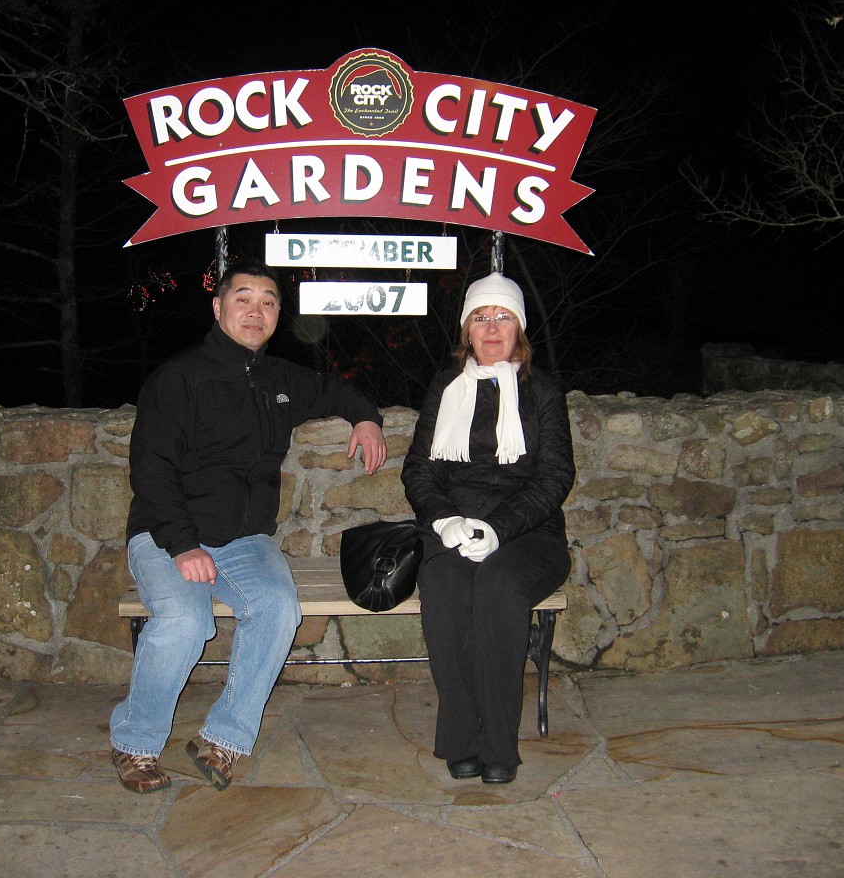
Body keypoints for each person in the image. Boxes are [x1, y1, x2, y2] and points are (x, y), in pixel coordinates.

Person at [110, 259, 387, 793]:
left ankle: (222, 739)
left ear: (278, 315)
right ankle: (135, 741)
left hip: (242, 541)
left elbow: (336, 390)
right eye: (243, 299)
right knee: (186, 621)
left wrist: (367, 419)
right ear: (218, 308)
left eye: (267, 301)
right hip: (167, 534)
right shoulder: (178, 378)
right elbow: (151, 470)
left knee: (278, 608)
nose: (255, 311)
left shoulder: (279, 378)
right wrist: (183, 545)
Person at [401, 271, 574, 785]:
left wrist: (498, 529)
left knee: (499, 587)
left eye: (502, 316)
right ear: (467, 331)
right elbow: (419, 469)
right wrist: (446, 520)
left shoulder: (542, 390)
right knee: (444, 584)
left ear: (519, 327)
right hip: (453, 527)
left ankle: (498, 744)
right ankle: (460, 737)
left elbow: (555, 475)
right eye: (480, 317)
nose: (492, 327)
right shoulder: (445, 386)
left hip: (529, 532)